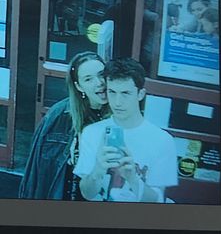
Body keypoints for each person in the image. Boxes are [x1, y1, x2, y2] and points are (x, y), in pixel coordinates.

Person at [73, 58, 178, 203]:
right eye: (112, 92)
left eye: (125, 93)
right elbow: (87, 193)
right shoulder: (92, 132)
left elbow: (157, 201)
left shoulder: (163, 141)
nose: (117, 102)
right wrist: (98, 170)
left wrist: (133, 179)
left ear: (140, 94)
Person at [19, 51, 110, 200]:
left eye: (102, 74)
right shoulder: (59, 116)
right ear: (79, 87)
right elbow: (36, 172)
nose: (99, 82)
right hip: (69, 196)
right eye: (88, 79)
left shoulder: (120, 112)